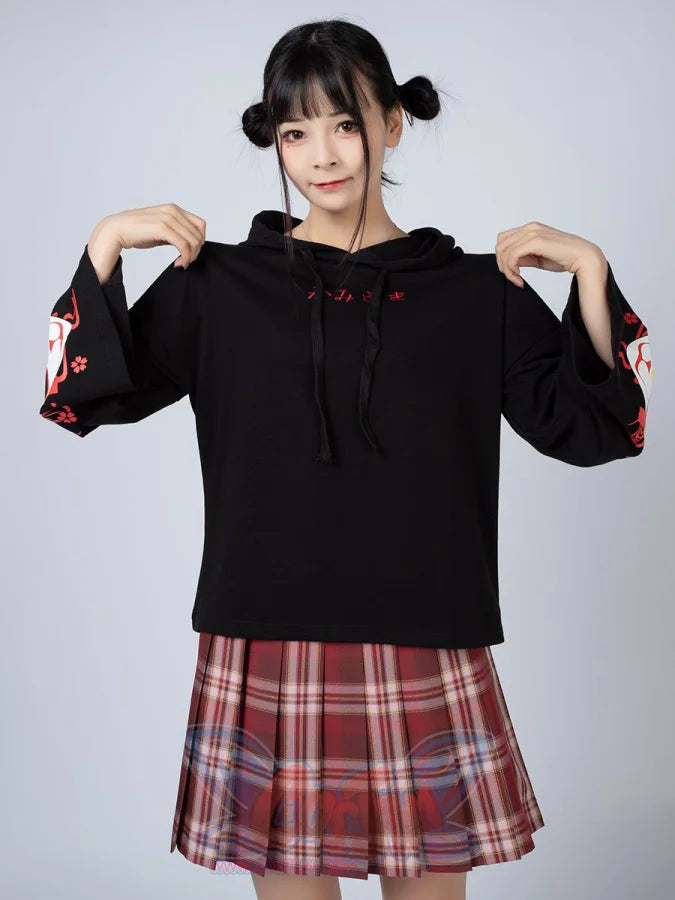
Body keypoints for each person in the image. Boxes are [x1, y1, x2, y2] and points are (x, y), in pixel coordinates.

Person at [39, 17, 654, 900]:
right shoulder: (218, 286)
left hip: (427, 635)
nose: (321, 155)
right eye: (295, 132)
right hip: (264, 633)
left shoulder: (474, 294)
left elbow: (603, 431)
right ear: (275, 141)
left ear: (391, 123)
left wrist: (589, 271)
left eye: (344, 123)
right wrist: (104, 246)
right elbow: (76, 396)